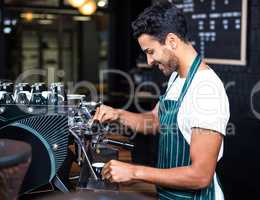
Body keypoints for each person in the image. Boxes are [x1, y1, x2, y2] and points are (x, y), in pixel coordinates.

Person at [93, 1, 230, 199]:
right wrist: (117, 114)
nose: (149, 61)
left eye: (151, 52)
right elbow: (155, 121)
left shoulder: (205, 91)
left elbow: (201, 176)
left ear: (172, 41)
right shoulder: (178, 77)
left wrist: (134, 172)